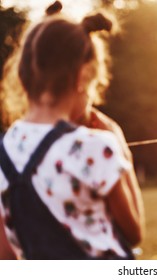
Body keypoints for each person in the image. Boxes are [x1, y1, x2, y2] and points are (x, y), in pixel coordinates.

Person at [0, 2, 145, 259]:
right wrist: (123, 152)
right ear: (82, 77)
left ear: (21, 75)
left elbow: (6, 256)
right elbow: (134, 233)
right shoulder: (97, 146)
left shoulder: (3, 153)